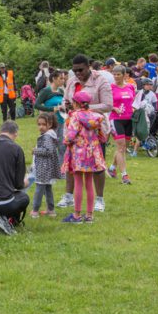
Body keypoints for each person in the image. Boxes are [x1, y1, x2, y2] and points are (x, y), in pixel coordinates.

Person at [57, 55, 112, 212]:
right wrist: (66, 106)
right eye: (75, 71)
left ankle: (99, 200)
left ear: (89, 66)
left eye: (81, 70)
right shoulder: (72, 81)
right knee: (71, 163)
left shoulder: (101, 80)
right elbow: (66, 100)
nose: (78, 73)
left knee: (97, 164)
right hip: (74, 129)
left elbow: (108, 105)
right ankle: (68, 196)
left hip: (93, 130)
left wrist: (85, 108)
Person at [61, 91, 107, 224]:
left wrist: (66, 141)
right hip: (93, 153)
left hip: (79, 154)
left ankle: (76, 215)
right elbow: (102, 137)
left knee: (78, 183)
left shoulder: (75, 116)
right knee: (89, 183)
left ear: (76, 103)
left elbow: (70, 135)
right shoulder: (96, 116)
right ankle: (89, 215)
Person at [28, 112, 60, 218]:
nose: (40, 127)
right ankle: (51, 210)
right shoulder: (50, 135)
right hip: (47, 167)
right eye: (39, 124)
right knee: (47, 188)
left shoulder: (47, 137)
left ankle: (35, 211)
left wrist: (35, 151)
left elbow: (48, 151)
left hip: (43, 168)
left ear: (49, 124)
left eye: (43, 124)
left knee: (39, 188)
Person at [107, 65, 135, 184]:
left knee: (123, 148)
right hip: (116, 119)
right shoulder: (110, 88)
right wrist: (114, 108)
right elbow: (106, 104)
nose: (116, 76)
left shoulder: (130, 86)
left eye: (118, 74)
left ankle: (112, 168)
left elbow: (134, 101)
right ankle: (125, 175)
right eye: (114, 74)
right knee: (121, 147)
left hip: (129, 119)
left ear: (124, 75)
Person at [131, 78, 157, 158]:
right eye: (148, 85)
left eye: (151, 85)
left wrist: (152, 112)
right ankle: (135, 150)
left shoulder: (152, 94)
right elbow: (135, 105)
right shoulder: (139, 93)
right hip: (140, 114)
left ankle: (138, 149)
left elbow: (155, 105)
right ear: (143, 85)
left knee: (144, 132)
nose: (150, 86)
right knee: (140, 132)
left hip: (149, 114)